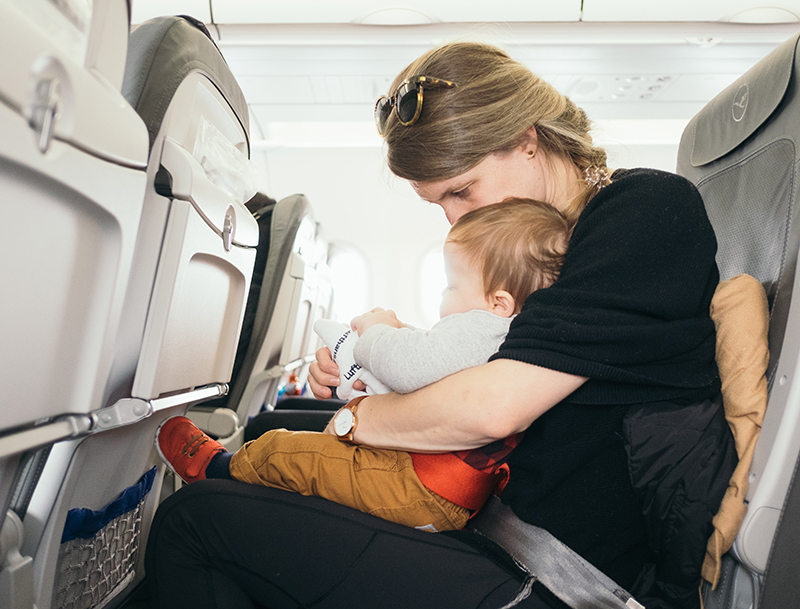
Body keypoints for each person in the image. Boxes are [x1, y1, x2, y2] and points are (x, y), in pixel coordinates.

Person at [146, 41, 737, 609]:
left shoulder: (644, 212)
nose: (455, 219)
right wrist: (371, 359)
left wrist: (359, 418)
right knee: (271, 442)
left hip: (552, 578)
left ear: (527, 141)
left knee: (192, 522)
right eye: (439, 204)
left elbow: (492, 408)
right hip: (486, 526)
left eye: (462, 190)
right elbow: (490, 355)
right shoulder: (544, 244)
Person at [154, 198, 572, 533]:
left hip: (418, 485)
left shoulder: (484, 326)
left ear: (499, 302)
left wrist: (376, 330)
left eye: (451, 285)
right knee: (316, 458)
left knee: (286, 450)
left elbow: (411, 366)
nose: (445, 297)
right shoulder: (510, 332)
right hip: (439, 488)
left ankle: (216, 470)